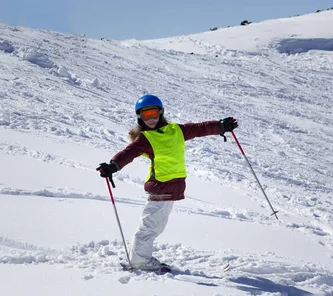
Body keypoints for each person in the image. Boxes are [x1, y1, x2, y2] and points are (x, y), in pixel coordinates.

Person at [96, 94, 238, 271]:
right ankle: (140, 260)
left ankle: (140, 257)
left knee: (155, 226)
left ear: (161, 112)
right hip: (160, 187)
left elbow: (200, 128)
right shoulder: (146, 138)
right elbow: (128, 153)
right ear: (140, 117)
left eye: (153, 113)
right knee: (150, 227)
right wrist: (113, 165)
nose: (151, 119)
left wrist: (220, 126)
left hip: (171, 189)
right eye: (146, 115)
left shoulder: (176, 130)